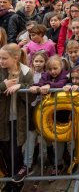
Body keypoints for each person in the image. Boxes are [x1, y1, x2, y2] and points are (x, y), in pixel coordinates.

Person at [0, 44, 34, 192]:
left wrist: (21, 86)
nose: (1, 61)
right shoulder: (0, 71)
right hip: (2, 119)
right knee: (5, 151)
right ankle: (9, 179)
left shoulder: (26, 72)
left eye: (4, 58)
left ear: (15, 58)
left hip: (17, 118)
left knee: (15, 150)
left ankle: (16, 182)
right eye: (0, 58)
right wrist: (3, 85)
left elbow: (32, 94)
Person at [30, 55, 69, 176]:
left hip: (61, 113)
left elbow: (61, 84)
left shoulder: (65, 74)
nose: (52, 72)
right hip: (46, 113)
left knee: (60, 139)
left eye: (55, 68)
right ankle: (55, 161)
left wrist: (48, 86)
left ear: (61, 67)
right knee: (48, 137)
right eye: (50, 69)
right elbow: (40, 83)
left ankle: (59, 163)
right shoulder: (45, 75)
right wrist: (43, 85)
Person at [12, 51, 48, 183]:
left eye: (41, 61)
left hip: (45, 110)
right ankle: (27, 164)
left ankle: (49, 162)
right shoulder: (29, 73)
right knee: (30, 137)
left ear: (45, 62)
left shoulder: (47, 74)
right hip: (31, 109)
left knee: (46, 139)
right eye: (36, 61)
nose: (38, 63)